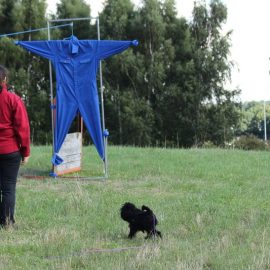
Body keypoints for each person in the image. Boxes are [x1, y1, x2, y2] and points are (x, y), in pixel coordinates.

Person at [0, 65, 30, 228]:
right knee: (8, 188)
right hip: (10, 150)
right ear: (5, 80)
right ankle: (6, 223)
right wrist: (25, 151)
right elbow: (23, 128)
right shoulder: (13, 99)